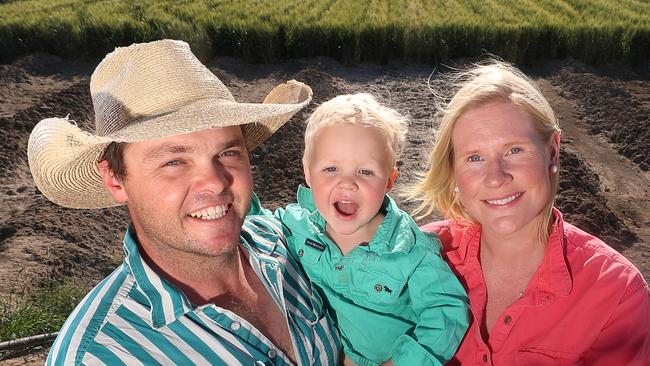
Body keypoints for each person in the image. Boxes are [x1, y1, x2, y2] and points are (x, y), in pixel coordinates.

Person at [28, 39, 341, 365]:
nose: (215, 182)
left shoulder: (298, 248)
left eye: (228, 152)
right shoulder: (99, 355)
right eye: (174, 162)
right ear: (115, 179)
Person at [406, 60, 650, 365]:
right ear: (454, 173)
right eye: (475, 157)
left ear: (552, 152)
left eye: (514, 151)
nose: (496, 177)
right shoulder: (418, 256)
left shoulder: (616, 295)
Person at [267, 94, 469, 366]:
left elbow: (447, 311)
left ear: (389, 181)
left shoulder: (409, 251)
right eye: (331, 168)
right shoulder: (295, 226)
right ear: (307, 172)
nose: (347, 183)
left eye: (365, 171)